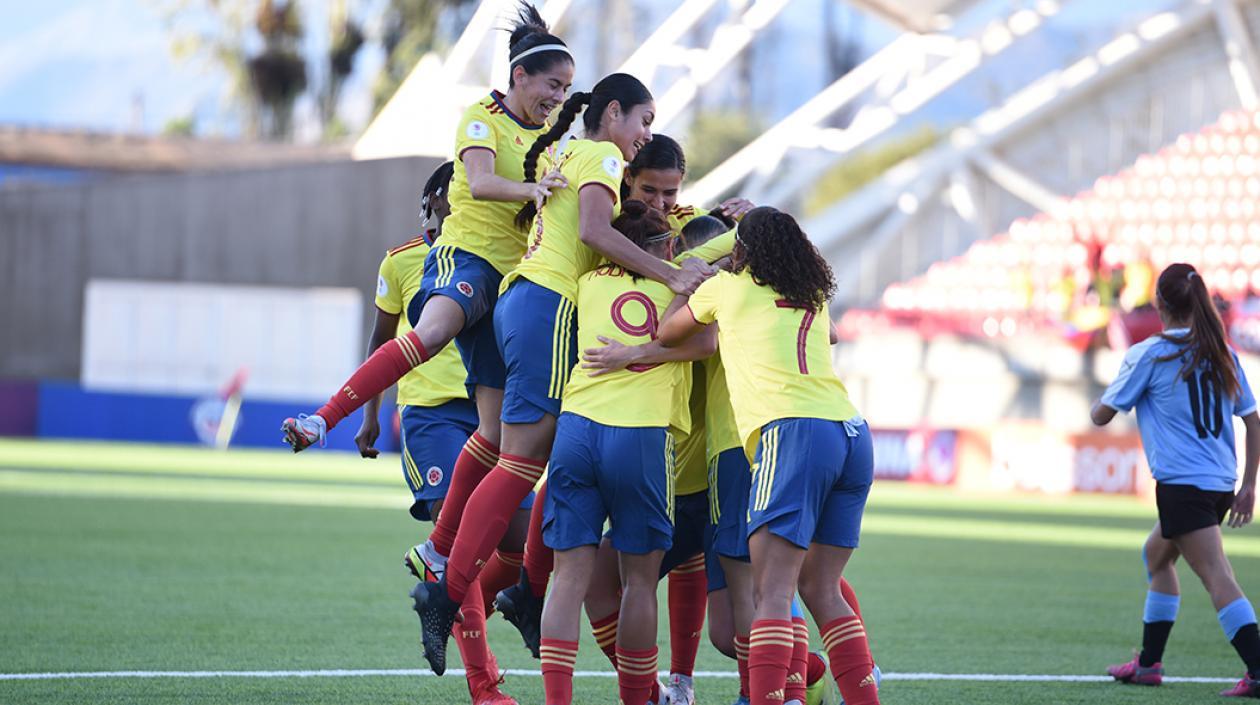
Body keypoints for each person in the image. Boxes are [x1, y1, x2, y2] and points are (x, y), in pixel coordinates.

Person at [280, 3, 574, 676]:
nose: (558, 97)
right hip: (469, 263)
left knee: (498, 438)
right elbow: (484, 182)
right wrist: (535, 189)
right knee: (432, 331)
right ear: (519, 76)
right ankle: (321, 419)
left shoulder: (553, 139)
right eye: (551, 85)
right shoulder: (481, 117)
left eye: (566, 88)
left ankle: (447, 563)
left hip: (513, 289)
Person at [410, 72, 714, 675]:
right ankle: (447, 588)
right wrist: (672, 274)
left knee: (537, 451)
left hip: (526, 300)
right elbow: (594, 230)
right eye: (644, 120)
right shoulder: (602, 155)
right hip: (548, 304)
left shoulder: (564, 152)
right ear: (614, 112)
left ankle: (514, 584)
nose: (644, 134)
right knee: (521, 461)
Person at [655, 207, 880, 705]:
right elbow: (831, 334)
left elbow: (668, 331)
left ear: (742, 251)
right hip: (851, 432)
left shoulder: (727, 288)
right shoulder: (812, 295)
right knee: (822, 589)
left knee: (771, 593)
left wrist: (696, 278)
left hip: (792, 432)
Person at [536, 201, 717, 705]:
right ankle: (639, 699)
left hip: (577, 427)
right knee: (638, 583)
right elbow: (706, 345)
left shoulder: (587, 282)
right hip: (640, 434)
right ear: (664, 247)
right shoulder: (679, 288)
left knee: (567, 578)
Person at [356, 162, 523, 705]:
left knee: (520, 546)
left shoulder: (508, 252)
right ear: (433, 201)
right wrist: (370, 414)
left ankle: (446, 602)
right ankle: (484, 686)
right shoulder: (402, 260)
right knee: (456, 544)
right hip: (431, 416)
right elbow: (384, 340)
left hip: (493, 413)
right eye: (454, 194)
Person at [1093, 262, 1260, 697]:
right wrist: (1248, 486)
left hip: (1184, 486)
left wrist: (1110, 391)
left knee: (1217, 576)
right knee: (1156, 555)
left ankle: (1259, 669)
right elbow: (1253, 420)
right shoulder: (1221, 352)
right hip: (1219, 483)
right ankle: (1148, 665)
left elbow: (1101, 416)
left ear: (1159, 303)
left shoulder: (1151, 353)